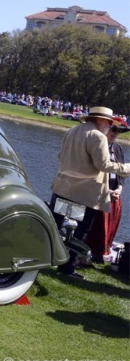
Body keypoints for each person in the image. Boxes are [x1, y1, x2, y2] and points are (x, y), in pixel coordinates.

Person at [50, 107, 130, 278]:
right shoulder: (98, 136)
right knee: (79, 231)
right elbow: (104, 165)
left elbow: (60, 156)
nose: (110, 126)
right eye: (109, 122)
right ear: (100, 120)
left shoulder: (72, 131)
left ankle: (47, 257)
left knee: (56, 226)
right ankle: (67, 267)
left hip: (63, 187)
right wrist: (127, 168)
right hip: (84, 194)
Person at [85, 117, 128, 263]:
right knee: (95, 226)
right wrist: (107, 191)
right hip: (99, 192)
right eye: (114, 129)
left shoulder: (118, 148)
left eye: (119, 131)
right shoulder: (98, 145)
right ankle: (85, 254)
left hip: (114, 194)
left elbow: (121, 172)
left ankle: (101, 253)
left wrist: (120, 188)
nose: (116, 133)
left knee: (110, 225)